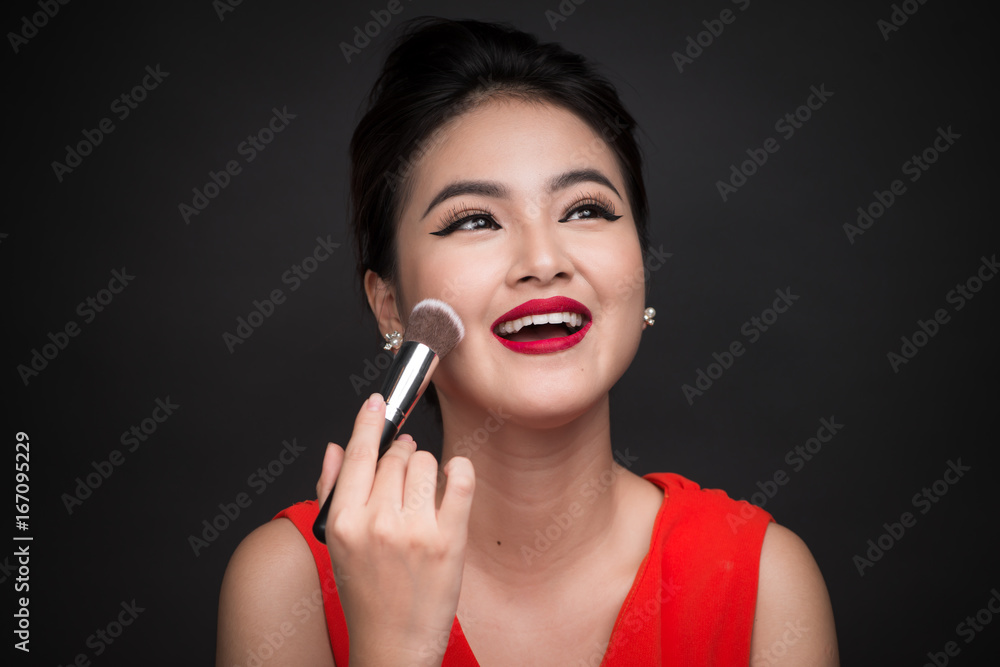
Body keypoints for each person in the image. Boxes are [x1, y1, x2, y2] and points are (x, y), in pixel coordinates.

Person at [217, 17, 839, 666]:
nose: (543, 259)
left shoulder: (762, 580)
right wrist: (395, 647)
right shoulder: (288, 582)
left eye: (586, 209)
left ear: (642, 269)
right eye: (475, 219)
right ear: (391, 304)